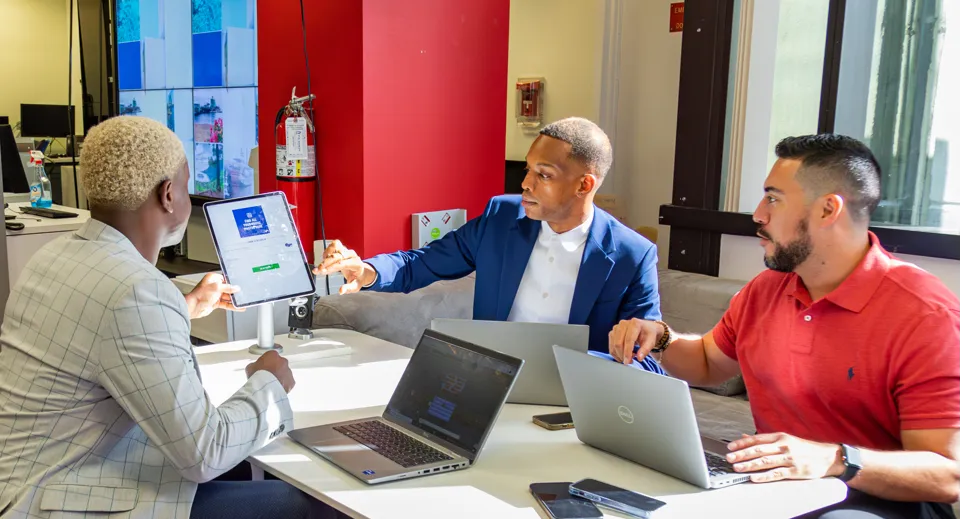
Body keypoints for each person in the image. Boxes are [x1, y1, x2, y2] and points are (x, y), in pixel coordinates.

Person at [609, 135, 959, 519]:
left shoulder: (926, 314)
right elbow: (709, 362)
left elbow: (947, 476)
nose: (758, 214)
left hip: (875, 502)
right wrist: (660, 338)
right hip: (779, 490)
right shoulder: (769, 287)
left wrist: (835, 460)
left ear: (828, 210)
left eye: (773, 198)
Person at [0, 116, 331, 519]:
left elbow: (98, 331)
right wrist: (269, 383)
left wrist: (188, 307)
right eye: (188, 186)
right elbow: (205, 454)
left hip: (28, 485)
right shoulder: (135, 292)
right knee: (295, 504)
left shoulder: (54, 257)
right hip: (67, 501)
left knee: (251, 473)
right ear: (169, 194)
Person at [317, 117, 664, 372]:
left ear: (584, 185)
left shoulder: (632, 255)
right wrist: (367, 270)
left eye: (543, 175)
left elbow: (644, 355)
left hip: (574, 405)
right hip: (487, 384)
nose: (525, 183)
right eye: (527, 169)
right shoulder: (501, 217)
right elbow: (420, 263)